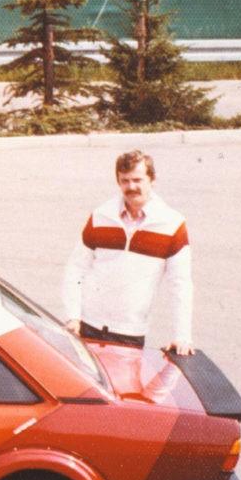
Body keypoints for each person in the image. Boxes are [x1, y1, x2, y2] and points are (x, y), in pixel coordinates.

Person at [62, 149, 193, 354]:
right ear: (118, 182)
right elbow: (75, 268)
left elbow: (180, 284)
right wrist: (73, 316)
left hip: (129, 333)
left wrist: (182, 336)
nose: (131, 187)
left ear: (152, 180)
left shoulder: (172, 224)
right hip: (87, 325)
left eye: (137, 180)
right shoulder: (100, 216)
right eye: (125, 181)